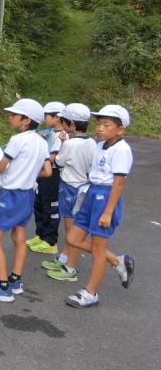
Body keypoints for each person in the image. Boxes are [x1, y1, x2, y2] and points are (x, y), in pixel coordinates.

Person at [0, 98, 52, 303]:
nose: (10, 118)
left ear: (26, 120)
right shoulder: (41, 141)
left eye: (14, 115)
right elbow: (46, 171)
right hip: (28, 194)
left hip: (10, 195)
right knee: (19, 237)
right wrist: (27, 173)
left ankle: (2, 287)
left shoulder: (17, 140)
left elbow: (1, 167)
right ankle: (15, 280)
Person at [62, 105, 135, 308]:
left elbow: (118, 183)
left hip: (106, 197)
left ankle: (90, 293)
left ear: (120, 129)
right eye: (99, 124)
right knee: (73, 238)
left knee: (97, 250)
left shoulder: (121, 149)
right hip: (92, 193)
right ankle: (117, 260)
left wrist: (108, 211)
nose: (100, 128)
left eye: (106, 124)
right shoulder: (100, 145)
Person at [42, 103, 96, 282]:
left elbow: (58, 161)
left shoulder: (70, 144)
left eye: (64, 121)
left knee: (71, 229)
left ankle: (70, 268)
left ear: (71, 124)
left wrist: (63, 145)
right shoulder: (92, 142)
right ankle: (64, 259)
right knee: (72, 227)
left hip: (69, 187)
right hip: (84, 186)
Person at [27, 101, 65, 254]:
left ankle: (51, 242)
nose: (44, 119)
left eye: (47, 116)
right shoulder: (49, 132)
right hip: (42, 173)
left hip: (53, 175)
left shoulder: (61, 136)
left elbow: (51, 158)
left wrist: (41, 145)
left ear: (57, 118)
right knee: (39, 205)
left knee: (50, 207)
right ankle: (40, 235)